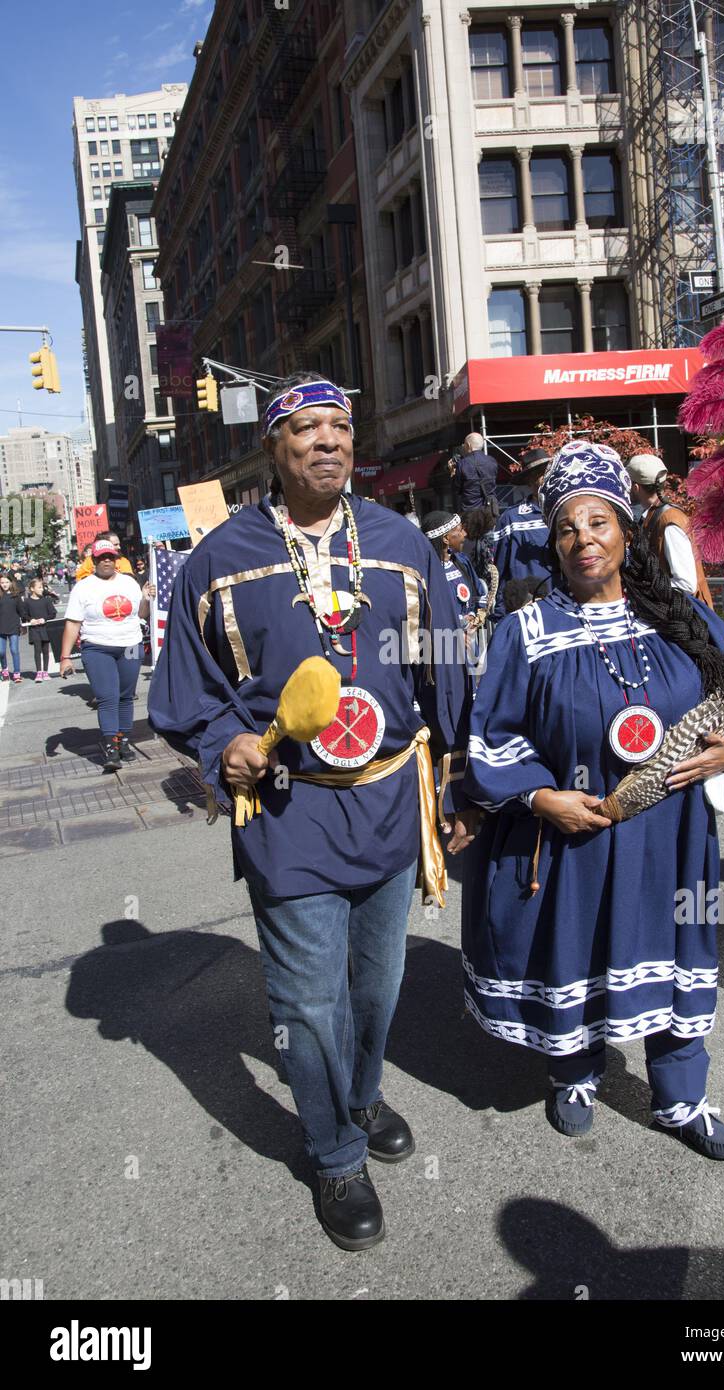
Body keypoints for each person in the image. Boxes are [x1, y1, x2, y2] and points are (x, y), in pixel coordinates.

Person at [148, 373, 477, 1252]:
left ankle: (360, 1097)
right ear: (274, 447)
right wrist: (228, 744)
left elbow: (444, 674)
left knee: (378, 983)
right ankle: (334, 1153)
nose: (328, 441)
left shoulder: (405, 544)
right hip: (289, 809)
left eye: (340, 426)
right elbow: (190, 693)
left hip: (388, 799)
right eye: (307, 429)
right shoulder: (220, 560)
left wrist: (456, 786)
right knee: (304, 992)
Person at [462, 442, 724, 1160]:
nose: (584, 539)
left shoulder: (680, 621)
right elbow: (491, 737)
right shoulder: (527, 633)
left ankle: (680, 1099)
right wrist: (543, 798)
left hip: (672, 837)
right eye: (568, 526)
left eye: (599, 522)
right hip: (581, 832)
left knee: (677, 960)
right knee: (579, 949)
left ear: (626, 529)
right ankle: (575, 1072)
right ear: (553, 540)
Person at [60, 537, 154, 771]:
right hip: (97, 647)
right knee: (107, 697)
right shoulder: (83, 587)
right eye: (101, 558)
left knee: (126, 695)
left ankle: (123, 740)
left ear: (116, 559)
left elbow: (141, 615)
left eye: (109, 557)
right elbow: (72, 623)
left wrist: (145, 598)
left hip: (131, 646)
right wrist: (65, 658)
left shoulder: (129, 583)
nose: (106, 561)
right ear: (94, 561)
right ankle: (111, 747)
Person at [627, 453, 714, 607]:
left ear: (636, 487)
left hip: (687, 620)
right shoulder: (652, 516)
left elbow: (686, 584)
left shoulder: (670, 521)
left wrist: (645, 586)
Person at [421, 510, 490, 680]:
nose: (464, 534)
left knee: (472, 693)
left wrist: (474, 620)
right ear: (446, 539)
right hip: (444, 649)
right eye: (459, 531)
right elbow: (427, 614)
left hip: (470, 643)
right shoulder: (427, 573)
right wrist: (456, 630)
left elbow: (479, 596)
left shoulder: (462, 561)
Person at [490, 447, 554, 621]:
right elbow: (499, 570)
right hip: (527, 609)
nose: (544, 479)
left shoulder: (567, 512)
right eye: (538, 474)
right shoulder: (511, 519)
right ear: (529, 481)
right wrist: (502, 611)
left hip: (564, 604)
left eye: (547, 472)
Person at [450, 432, 500, 525]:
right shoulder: (492, 461)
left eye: (464, 444)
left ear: (468, 445)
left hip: (471, 513)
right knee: (489, 537)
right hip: (490, 512)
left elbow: (456, 489)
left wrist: (453, 472)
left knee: (472, 538)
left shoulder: (463, 464)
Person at [21, 577, 57, 682]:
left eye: (42, 587)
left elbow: (53, 614)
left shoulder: (46, 600)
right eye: (39, 587)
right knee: (37, 650)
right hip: (34, 629)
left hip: (45, 628)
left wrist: (44, 619)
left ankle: (45, 672)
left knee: (45, 650)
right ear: (32, 589)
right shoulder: (27, 602)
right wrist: (30, 619)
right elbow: (24, 614)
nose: (42, 589)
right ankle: (39, 672)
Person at [0, 574, 25, 683]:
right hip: (1, 627)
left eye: (6, 582)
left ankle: (16, 673)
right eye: (2, 583)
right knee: (1, 651)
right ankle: (4, 670)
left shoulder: (16, 595)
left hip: (13, 626)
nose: (4, 585)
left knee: (14, 650)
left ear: (10, 583)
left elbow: (21, 611)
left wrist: (26, 622)